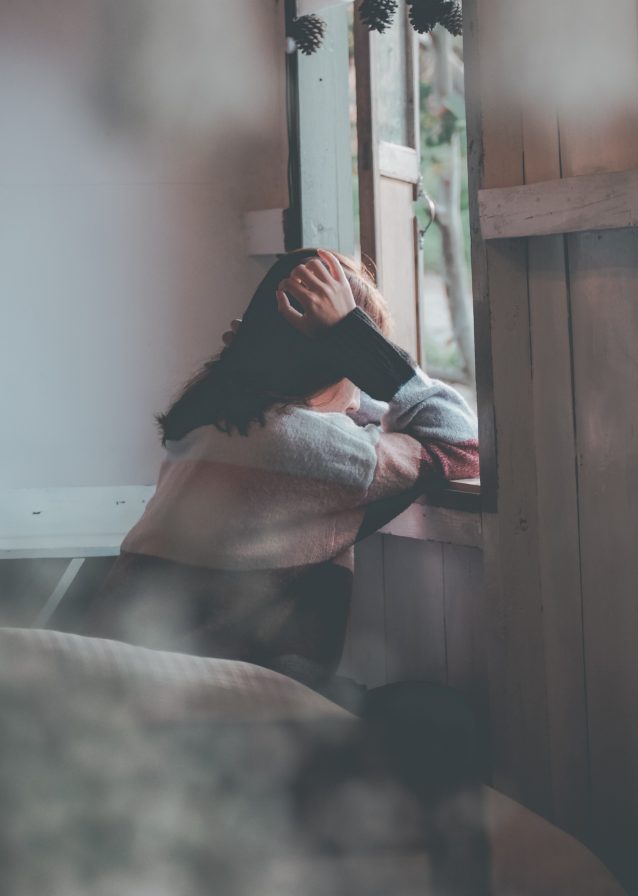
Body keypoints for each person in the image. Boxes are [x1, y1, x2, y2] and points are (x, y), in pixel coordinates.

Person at [83, 248, 479, 695]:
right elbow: (460, 441)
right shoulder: (308, 448)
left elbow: (337, 416)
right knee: (435, 716)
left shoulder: (209, 419)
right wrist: (359, 341)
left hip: (112, 679)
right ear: (343, 364)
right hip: (209, 703)